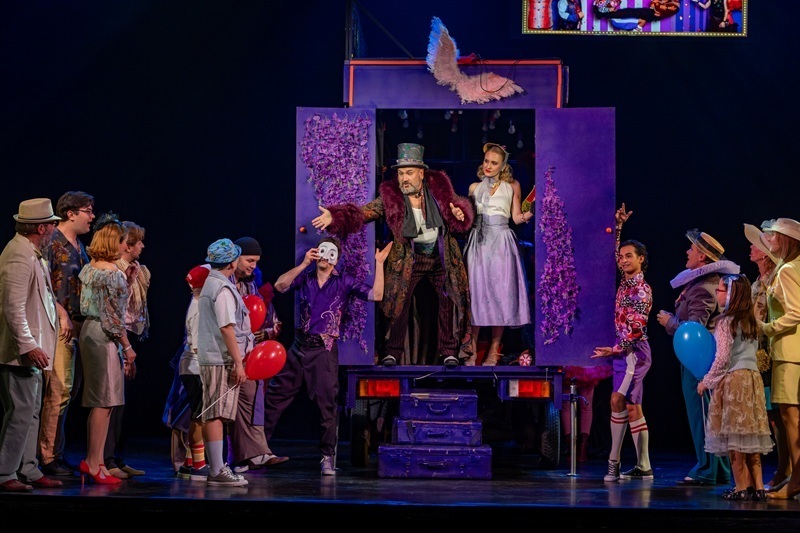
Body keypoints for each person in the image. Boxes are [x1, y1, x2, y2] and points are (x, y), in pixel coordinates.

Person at [312, 142, 473, 367]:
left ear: (421, 173)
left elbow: (459, 211)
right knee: (399, 302)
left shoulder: (439, 190)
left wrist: (459, 213)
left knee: (448, 301)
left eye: (409, 173)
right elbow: (365, 212)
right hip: (409, 259)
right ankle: (392, 352)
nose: (404, 178)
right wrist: (335, 216)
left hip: (440, 257)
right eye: (400, 173)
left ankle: (449, 352)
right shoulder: (392, 197)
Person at [265, 237, 392, 475]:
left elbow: (376, 295)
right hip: (298, 347)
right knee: (274, 397)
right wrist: (304, 264)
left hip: (323, 350)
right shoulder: (305, 277)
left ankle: (327, 456)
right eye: (321, 251)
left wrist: (379, 263)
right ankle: (258, 449)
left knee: (327, 405)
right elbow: (280, 286)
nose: (324, 256)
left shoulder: (344, 281)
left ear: (336, 259)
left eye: (330, 252)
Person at [656, 228, 739, 486]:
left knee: (702, 414)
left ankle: (708, 468)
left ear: (702, 256)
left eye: (691, 249)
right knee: (707, 413)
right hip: (699, 359)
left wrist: (670, 322)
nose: (687, 252)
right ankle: (716, 468)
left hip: (700, 360)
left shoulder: (704, 287)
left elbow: (695, 328)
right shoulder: (701, 283)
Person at [0, 198, 65, 492]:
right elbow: (12, 307)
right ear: (40, 228)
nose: (53, 229)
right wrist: (28, 345)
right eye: (51, 224)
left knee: (31, 412)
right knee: (20, 412)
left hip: (33, 351)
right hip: (19, 353)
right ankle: (5, 473)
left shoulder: (31, 252)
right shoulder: (18, 254)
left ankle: (27, 467)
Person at [592, 204, 654, 481]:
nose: (623, 260)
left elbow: (637, 328)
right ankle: (644, 466)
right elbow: (614, 252)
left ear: (641, 259)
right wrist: (618, 227)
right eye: (622, 256)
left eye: (630, 256)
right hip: (623, 353)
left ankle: (613, 462)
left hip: (633, 353)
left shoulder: (641, 289)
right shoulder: (625, 282)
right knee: (631, 406)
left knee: (616, 400)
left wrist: (615, 349)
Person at [697, 274, 773, 501]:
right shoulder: (751, 321)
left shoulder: (725, 322)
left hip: (735, 381)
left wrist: (706, 381)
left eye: (721, 290)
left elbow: (722, 359)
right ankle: (757, 487)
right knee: (750, 435)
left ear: (731, 294)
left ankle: (740, 487)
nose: (717, 294)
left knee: (735, 436)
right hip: (753, 379)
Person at [38, 190, 95, 477]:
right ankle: (47, 456)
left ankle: (56, 453)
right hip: (59, 326)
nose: (92, 217)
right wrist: (60, 313)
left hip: (79, 324)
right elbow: (42, 284)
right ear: (70, 214)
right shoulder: (52, 243)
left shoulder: (80, 246)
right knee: (58, 390)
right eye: (88, 211)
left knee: (69, 391)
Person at [77, 212, 135, 485]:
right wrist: (127, 346)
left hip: (91, 331)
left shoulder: (92, 267)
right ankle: (93, 461)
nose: (126, 246)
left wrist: (129, 282)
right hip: (104, 335)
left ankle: (97, 460)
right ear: (115, 243)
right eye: (123, 241)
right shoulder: (112, 274)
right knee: (103, 401)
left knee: (104, 401)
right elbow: (113, 318)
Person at [462, 143, 532, 366]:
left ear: (503, 166)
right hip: (479, 240)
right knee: (477, 292)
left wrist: (531, 211)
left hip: (501, 240)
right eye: (486, 161)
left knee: (500, 292)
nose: (489, 166)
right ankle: (472, 348)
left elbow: (516, 217)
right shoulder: (474, 187)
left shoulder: (512, 186)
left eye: (494, 163)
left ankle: (494, 349)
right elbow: (468, 218)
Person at [227, 236, 288, 474]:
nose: (253, 265)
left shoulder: (251, 285)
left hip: (245, 352)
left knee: (252, 397)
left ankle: (255, 453)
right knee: (223, 408)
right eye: (249, 260)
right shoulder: (223, 282)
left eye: (256, 261)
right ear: (236, 257)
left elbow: (258, 317)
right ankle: (224, 459)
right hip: (224, 352)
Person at [196, 238, 251, 487]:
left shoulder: (211, 282)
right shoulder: (223, 289)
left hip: (212, 357)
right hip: (219, 359)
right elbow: (227, 328)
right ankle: (217, 469)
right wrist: (238, 363)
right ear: (232, 262)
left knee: (214, 413)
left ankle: (217, 467)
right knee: (216, 413)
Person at [757, 218, 800, 500]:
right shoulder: (794, 266)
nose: (769, 242)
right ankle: (792, 476)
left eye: (773, 237)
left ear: (785, 240)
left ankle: (795, 480)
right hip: (792, 350)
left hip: (789, 351)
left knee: (790, 417)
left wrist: (766, 328)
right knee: (790, 418)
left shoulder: (787, 270)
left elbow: (795, 312)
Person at [104, 220, 150, 479]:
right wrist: (126, 346)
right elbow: (118, 309)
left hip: (132, 334)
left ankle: (118, 457)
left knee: (124, 402)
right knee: (113, 400)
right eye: (138, 242)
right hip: (118, 336)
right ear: (127, 246)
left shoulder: (138, 270)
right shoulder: (115, 270)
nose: (142, 246)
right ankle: (106, 458)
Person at [744, 222, 787, 492]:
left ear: (765, 254)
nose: (751, 248)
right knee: (771, 414)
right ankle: (784, 468)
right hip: (757, 352)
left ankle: (787, 470)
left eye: (756, 245)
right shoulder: (758, 282)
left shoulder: (774, 280)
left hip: (770, 352)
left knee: (779, 414)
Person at [175, 264, 211, 480]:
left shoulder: (196, 302)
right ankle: (199, 465)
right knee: (200, 416)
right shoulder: (199, 309)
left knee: (198, 414)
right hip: (196, 367)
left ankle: (189, 462)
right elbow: (198, 346)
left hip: (192, 366)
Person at [561, 364, 611, 463]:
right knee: (586, 407)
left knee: (567, 405)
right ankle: (582, 450)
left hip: (568, 364)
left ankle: (572, 449)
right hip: (586, 366)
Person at [594, 0, 679, 32]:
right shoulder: (673, 3)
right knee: (628, 12)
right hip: (650, 12)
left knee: (629, 13)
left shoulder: (674, 7)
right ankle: (602, 14)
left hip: (651, 14)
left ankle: (602, 14)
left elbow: (657, 6)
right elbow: (653, 3)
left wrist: (658, 3)